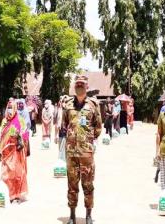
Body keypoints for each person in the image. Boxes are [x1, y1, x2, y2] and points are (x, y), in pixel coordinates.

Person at [61, 75, 102, 224]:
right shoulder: (68, 105)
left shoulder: (93, 105)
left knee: (88, 184)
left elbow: (98, 127)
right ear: (74, 86)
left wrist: (88, 140)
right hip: (71, 152)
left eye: (82, 84)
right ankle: (72, 215)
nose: (79, 85)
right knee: (72, 184)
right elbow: (64, 125)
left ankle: (88, 215)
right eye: (77, 83)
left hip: (86, 153)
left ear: (87, 87)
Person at [0, 100, 28, 203]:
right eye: (9, 107)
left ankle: (16, 195)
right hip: (6, 151)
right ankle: (9, 194)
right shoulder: (4, 121)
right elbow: (1, 136)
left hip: (16, 152)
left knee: (16, 173)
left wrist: (18, 135)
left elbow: (25, 135)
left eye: (12, 107)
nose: (10, 110)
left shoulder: (20, 120)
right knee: (6, 173)